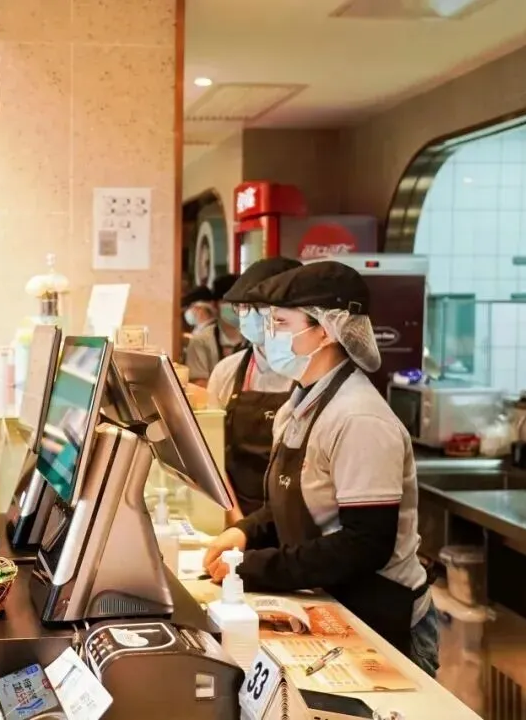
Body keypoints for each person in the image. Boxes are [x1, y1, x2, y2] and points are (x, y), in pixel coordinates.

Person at [201, 261, 439, 676]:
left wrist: (257, 567)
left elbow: (365, 543)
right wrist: (246, 531)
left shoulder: (359, 418)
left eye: (280, 323)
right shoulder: (299, 404)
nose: (269, 335)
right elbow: (297, 501)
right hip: (331, 602)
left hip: (382, 616)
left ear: (326, 330)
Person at [206, 257, 301, 521]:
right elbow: (213, 455)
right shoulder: (226, 371)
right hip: (238, 515)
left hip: (295, 522)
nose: (248, 315)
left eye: (258, 307)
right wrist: (238, 522)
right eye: (242, 307)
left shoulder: (311, 373)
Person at [185, 273, 246, 387]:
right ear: (215, 305)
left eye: (241, 304)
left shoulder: (254, 339)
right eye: (230, 302)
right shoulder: (201, 341)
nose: (237, 308)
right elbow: (199, 384)